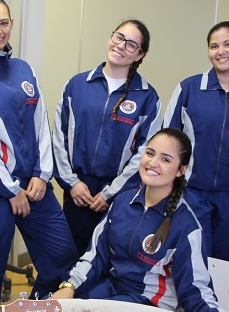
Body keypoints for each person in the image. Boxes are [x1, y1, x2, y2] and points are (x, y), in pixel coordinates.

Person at [53, 128, 229, 312]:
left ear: (181, 170)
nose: (153, 163)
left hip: (151, 306)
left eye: (165, 159)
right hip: (113, 289)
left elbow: (194, 287)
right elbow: (95, 256)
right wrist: (70, 286)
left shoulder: (187, 225)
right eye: (150, 153)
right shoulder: (122, 202)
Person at [0, 0, 77, 304]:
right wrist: (10, 190)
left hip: (34, 185)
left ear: (12, 23)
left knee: (62, 255)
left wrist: (41, 175)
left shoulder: (24, 69)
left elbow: (40, 124)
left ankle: (36, 311)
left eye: (3, 23)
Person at [52, 19, 162, 255]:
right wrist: (72, 183)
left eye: (131, 44)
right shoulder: (77, 85)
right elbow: (58, 137)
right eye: (119, 37)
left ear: (140, 55)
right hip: (78, 190)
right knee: (71, 257)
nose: (121, 46)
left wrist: (111, 192)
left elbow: (146, 153)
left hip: (121, 194)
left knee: (109, 258)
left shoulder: (147, 98)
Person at [163, 21, 229, 264]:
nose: (221, 51)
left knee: (224, 266)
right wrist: (165, 193)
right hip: (192, 192)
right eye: (214, 46)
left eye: (228, 44)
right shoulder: (189, 89)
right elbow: (167, 145)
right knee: (191, 262)